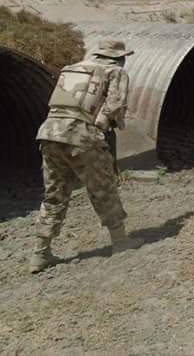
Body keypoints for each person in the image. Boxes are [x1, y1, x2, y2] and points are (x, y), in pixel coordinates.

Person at [29, 39, 140, 273]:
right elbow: (116, 106)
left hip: (49, 133)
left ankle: (40, 254)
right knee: (103, 187)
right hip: (81, 135)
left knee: (54, 194)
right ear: (117, 57)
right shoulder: (115, 72)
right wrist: (103, 125)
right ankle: (120, 242)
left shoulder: (73, 68)